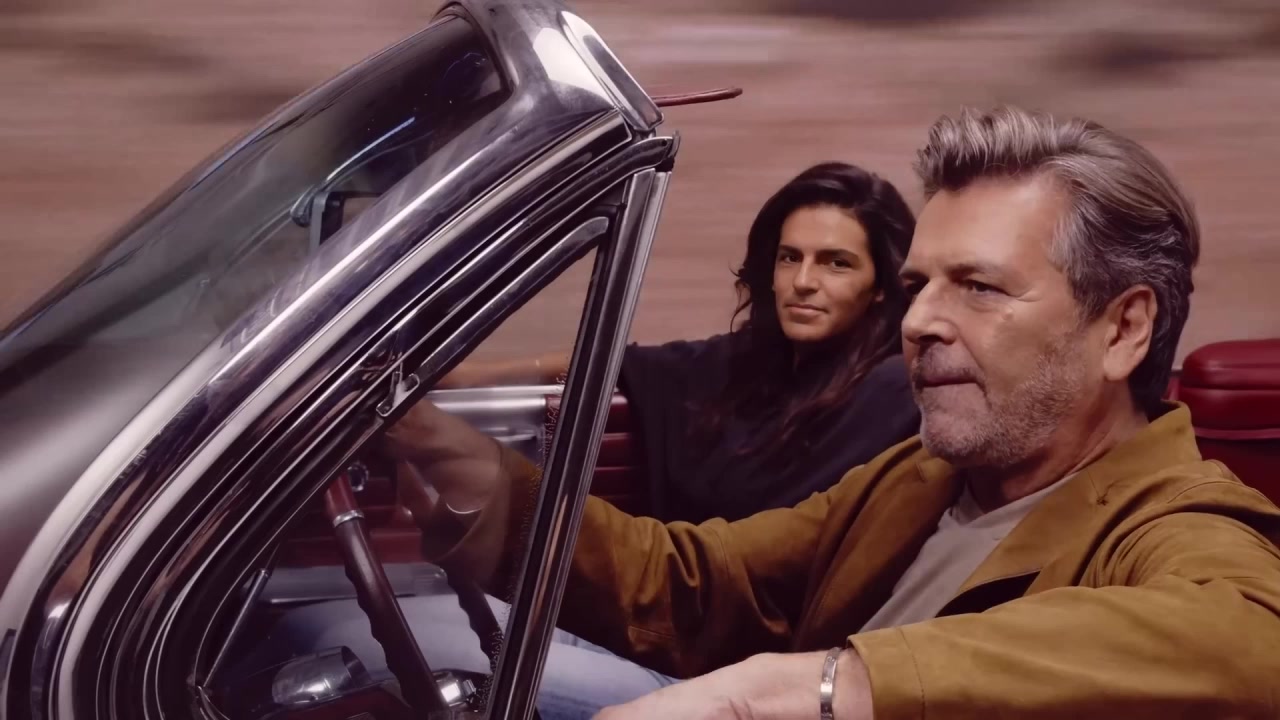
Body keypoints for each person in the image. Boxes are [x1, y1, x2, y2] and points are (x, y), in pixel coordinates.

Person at [389, 105, 1280, 719]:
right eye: (919, 286)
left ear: (1123, 330)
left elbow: (1251, 642)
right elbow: (701, 583)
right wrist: (482, 483)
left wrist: (805, 691)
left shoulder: (1174, 518)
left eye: (978, 287)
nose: (921, 322)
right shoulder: (923, 480)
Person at [439, 161, 921, 523]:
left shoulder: (893, 392)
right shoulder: (747, 364)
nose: (803, 281)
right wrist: (461, 379)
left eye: (837, 263)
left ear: (881, 285)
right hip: (680, 597)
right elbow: (621, 364)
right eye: (790, 257)